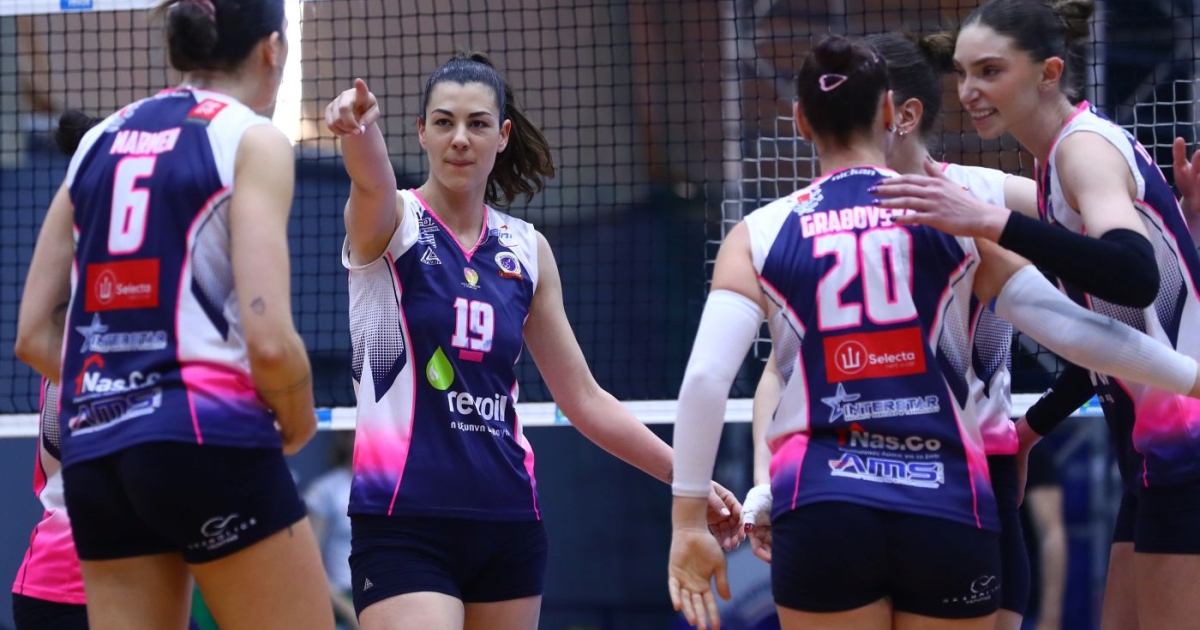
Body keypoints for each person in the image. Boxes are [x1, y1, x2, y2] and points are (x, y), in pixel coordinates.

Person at [667, 33, 1200, 630]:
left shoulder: (760, 233)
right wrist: (1191, 378)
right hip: (945, 502)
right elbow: (1074, 330)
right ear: (888, 111)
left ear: (800, 121)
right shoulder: (958, 221)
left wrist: (687, 521)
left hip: (824, 503)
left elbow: (707, 377)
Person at [323, 51, 741, 630]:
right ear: (420, 132)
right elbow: (370, 179)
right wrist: (357, 128)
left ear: (502, 136)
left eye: (477, 123)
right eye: (444, 122)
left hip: (508, 523)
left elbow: (584, 398)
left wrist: (688, 481)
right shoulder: (392, 222)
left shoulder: (525, 249)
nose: (460, 138)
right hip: (404, 520)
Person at [870, 2, 1200, 627]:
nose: (969, 92)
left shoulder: (1081, 150)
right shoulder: (1053, 167)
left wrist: (992, 222)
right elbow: (1106, 341)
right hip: (1154, 449)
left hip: (1186, 443)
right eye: (963, 73)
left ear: (1049, 73)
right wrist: (1030, 430)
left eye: (991, 71)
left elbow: (1135, 279)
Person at [13, 1, 334, 628]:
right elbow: (269, 340)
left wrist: (125, 385)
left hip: (99, 452)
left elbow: (32, 334)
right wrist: (297, 422)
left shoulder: (99, 140)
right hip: (205, 439)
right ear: (272, 50)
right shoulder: (251, 137)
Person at [743, 31, 1038, 630]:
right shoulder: (807, 218)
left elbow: (1102, 264)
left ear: (898, 114)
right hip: (849, 474)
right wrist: (763, 481)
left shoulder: (982, 196)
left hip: (974, 473)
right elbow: (782, 370)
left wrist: (1037, 424)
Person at [306, 432, 358, 630]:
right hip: (343, 602)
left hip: (385, 596)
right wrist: (348, 611)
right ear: (343, 439)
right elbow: (310, 564)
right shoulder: (325, 489)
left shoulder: (393, 486)